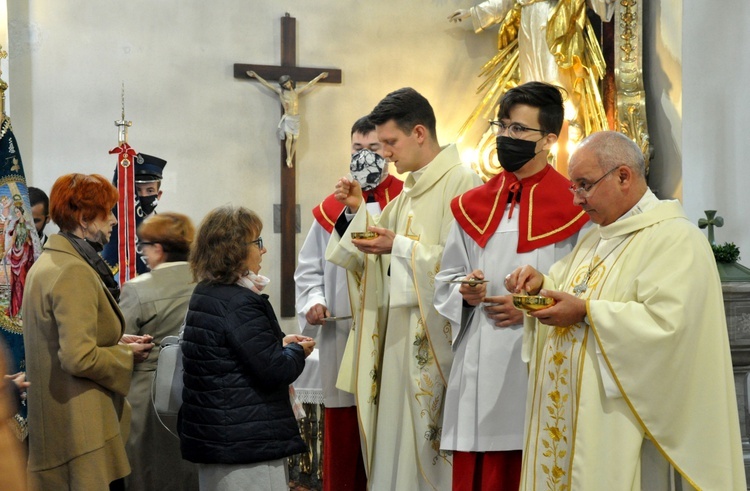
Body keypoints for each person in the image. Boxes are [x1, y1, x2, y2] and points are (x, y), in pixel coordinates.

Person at [505, 131, 746, 490]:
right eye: (573, 187)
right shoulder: (594, 237)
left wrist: (588, 312)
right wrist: (540, 284)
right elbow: (569, 284)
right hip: (567, 419)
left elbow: (669, 329)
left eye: (583, 185)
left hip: (617, 429)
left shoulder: (675, 239)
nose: (576, 200)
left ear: (623, 176)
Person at [434, 81, 589, 490]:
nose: (506, 137)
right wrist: (464, 294)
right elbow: (447, 279)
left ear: (549, 140)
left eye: (519, 130)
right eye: (502, 126)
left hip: (536, 361)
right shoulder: (473, 204)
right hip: (479, 356)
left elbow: (588, 282)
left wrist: (531, 306)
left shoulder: (576, 208)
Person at [326, 87, 482, 490]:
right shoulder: (409, 192)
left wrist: (397, 246)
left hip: (430, 344)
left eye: (390, 143)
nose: (386, 155)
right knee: (392, 449)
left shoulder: (463, 184)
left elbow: (466, 271)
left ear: (419, 133)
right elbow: (365, 258)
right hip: (395, 342)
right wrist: (355, 211)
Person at [22, 173, 154, 490]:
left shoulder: (52, 262)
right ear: (84, 218)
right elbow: (78, 358)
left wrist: (114, 339)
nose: (112, 221)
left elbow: (58, 334)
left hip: (67, 427)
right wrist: (125, 354)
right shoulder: (72, 270)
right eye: (106, 212)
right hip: (80, 434)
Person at [294, 115, 403, 491]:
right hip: (341, 338)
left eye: (373, 149)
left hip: (391, 336)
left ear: (390, 151)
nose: (364, 158)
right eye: (357, 149)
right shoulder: (331, 209)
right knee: (344, 443)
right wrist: (315, 300)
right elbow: (308, 269)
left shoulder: (405, 201)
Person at [179, 205, 315, 491]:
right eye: (258, 243)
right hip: (247, 439)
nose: (263, 251)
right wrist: (296, 352)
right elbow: (275, 370)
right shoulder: (240, 302)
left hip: (220, 433)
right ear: (234, 249)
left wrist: (277, 344)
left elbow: (229, 354)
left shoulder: (206, 293)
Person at [448, 0, 614, 163]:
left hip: (556, 22)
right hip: (529, 24)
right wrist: (473, 12)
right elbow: (507, 3)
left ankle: (563, 129)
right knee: (530, 83)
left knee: (556, 80)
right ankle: (531, 129)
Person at [119, 212, 199, 491]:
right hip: (196, 388)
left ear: (157, 248)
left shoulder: (138, 289)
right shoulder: (205, 282)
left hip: (148, 392)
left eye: (143, 246)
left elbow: (119, 340)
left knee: (147, 471)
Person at [102, 152, 168, 276]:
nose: (143, 196)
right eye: (137, 191)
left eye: (150, 190)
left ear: (159, 195)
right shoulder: (112, 228)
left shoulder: (168, 232)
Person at [246, 70, 328, 167]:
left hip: (296, 118)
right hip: (288, 117)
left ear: (290, 82)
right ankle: (288, 157)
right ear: (283, 86)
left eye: (287, 83)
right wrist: (255, 75)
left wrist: (319, 76)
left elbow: (309, 85)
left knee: (296, 139)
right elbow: (267, 84)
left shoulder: (296, 92)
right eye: (284, 84)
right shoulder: (282, 92)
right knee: (289, 138)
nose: (287, 85)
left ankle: (291, 157)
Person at [5, 201, 34, 317]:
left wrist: (29, 241)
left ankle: (24, 309)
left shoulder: (27, 225)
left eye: (18, 212)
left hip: (25, 255)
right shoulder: (16, 225)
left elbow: (30, 240)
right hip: (16, 253)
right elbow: (13, 241)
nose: (17, 214)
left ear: (22, 212)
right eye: (15, 212)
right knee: (15, 281)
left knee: (23, 280)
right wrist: (5, 252)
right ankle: (16, 308)